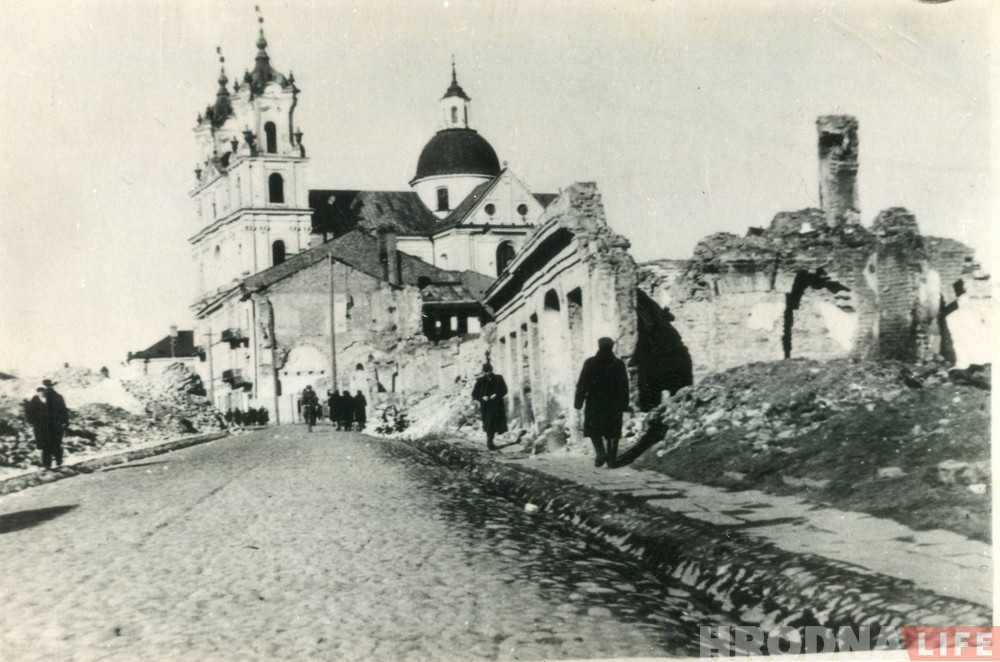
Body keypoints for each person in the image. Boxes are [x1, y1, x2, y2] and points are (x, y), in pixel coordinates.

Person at [574, 337, 630, 468]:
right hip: (613, 402)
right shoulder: (618, 364)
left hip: (595, 401)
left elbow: (582, 383)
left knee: (594, 429)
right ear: (612, 347)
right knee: (613, 430)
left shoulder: (590, 362)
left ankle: (600, 452)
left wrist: (578, 401)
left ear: (599, 346)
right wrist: (624, 403)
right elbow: (624, 386)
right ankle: (611, 457)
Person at [24, 379, 69, 469]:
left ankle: (58, 459)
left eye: (43, 390)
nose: (42, 392)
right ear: (37, 392)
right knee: (45, 445)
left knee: (56, 443)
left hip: (54, 425)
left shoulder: (55, 397)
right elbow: (29, 413)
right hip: (41, 427)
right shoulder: (34, 400)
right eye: (39, 390)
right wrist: (31, 421)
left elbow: (63, 409)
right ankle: (47, 465)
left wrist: (65, 421)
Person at [471, 363, 508, 450]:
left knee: (496, 422)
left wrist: (496, 394)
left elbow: (505, 390)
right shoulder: (480, 380)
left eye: (489, 371)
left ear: (492, 370)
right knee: (488, 423)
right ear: (483, 372)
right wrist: (482, 397)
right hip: (486, 406)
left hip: (497, 405)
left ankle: (491, 440)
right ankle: (490, 441)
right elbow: (474, 393)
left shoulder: (499, 378)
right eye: (486, 371)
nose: (488, 373)